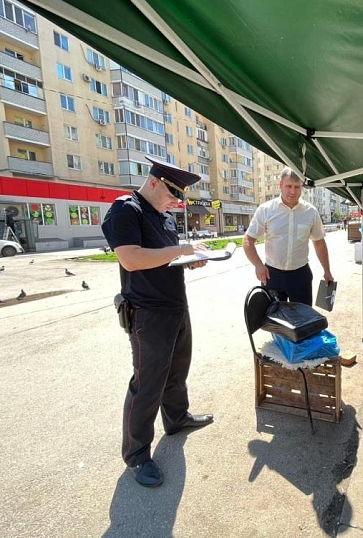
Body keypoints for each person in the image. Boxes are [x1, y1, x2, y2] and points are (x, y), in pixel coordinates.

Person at [101, 156, 213, 488]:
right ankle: (136, 455)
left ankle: (177, 418)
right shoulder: (125, 210)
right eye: (172, 194)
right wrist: (180, 251)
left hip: (176, 307)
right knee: (147, 384)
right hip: (148, 315)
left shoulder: (164, 219)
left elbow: (166, 259)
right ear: (153, 183)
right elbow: (132, 259)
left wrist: (190, 260)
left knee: (177, 370)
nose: (175, 203)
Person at [243, 168, 333, 305]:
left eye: (297, 187)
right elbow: (248, 239)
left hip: (300, 275)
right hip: (272, 275)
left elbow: (319, 242)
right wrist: (258, 265)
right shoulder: (266, 210)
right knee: (274, 322)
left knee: (303, 321)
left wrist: (327, 270)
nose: (292, 191)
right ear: (280, 185)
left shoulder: (310, 212)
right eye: (289, 186)